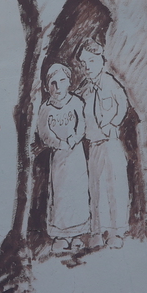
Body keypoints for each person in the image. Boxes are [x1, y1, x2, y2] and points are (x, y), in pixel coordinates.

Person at [76, 40, 130, 248]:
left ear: (102, 60)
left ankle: (116, 231)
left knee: (114, 186)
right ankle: (97, 230)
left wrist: (113, 123)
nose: (87, 66)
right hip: (94, 145)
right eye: (83, 62)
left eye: (91, 61)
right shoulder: (84, 89)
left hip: (111, 143)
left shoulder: (111, 84)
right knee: (95, 188)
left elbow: (123, 105)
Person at [36, 63, 90, 251]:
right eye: (53, 83)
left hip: (76, 156)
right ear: (46, 86)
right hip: (59, 158)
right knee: (60, 194)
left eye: (61, 81)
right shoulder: (45, 109)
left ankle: (77, 234)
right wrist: (60, 143)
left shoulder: (76, 102)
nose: (57, 87)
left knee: (78, 191)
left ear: (69, 82)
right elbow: (44, 133)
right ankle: (61, 235)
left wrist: (73, 140)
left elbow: (82, 125)